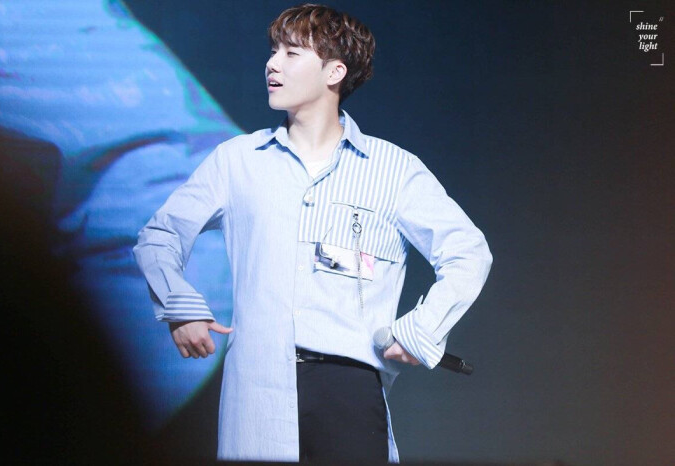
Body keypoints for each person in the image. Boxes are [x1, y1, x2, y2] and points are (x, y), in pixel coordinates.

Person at [134, 3, 492, 463]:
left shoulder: (394, 169)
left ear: (334, 72)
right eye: (273, 51)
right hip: (257, 388)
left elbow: (467, 251)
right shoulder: (237, 161)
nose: (272, 64)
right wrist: (180, 306)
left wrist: (422, 330)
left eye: (291, 53)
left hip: (348, 386)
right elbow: (160, 236)